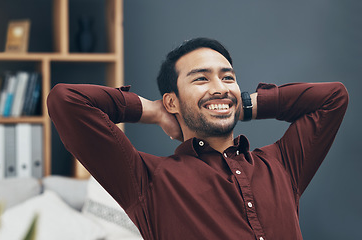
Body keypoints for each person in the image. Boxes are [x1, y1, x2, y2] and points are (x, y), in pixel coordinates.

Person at [47, 38, 348, 240]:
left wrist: (243, 103)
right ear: (172, 101)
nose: (219, 87)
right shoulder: (146, 181)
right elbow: (67, 101)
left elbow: (333, 98)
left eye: (227, 77)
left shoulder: (282, 165)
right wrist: (153, 111)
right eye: (201, 79)